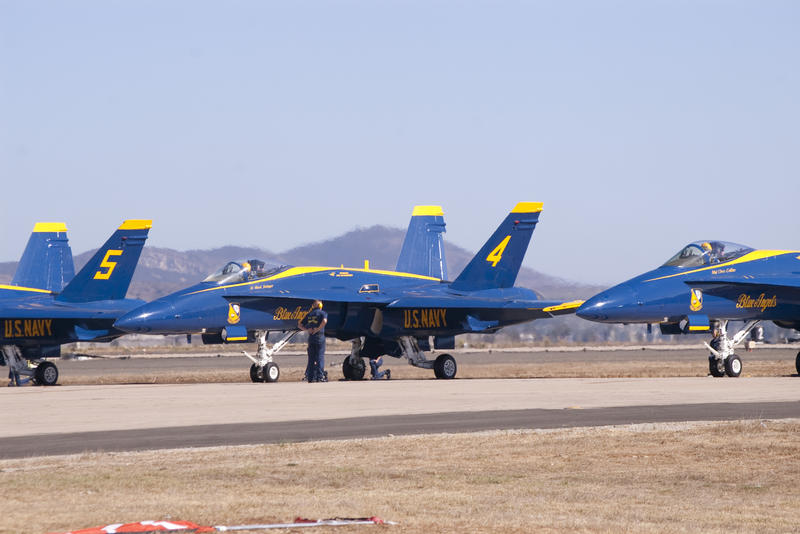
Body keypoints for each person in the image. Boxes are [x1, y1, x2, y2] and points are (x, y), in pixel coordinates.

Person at [298, 300, 328, 382]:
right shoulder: (323, 313)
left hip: (311, 338)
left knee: (311, 359)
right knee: (319, 357)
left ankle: (310, 377)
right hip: (319, 337)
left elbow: (299, 324)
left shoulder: (309, 314)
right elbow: (324, 321)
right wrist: (318, 329)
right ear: (320, 305)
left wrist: (307, 330)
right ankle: (320, 376)